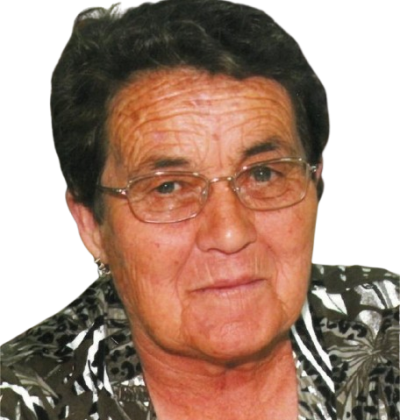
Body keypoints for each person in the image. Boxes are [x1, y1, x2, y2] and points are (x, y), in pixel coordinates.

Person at [1, 0, 399, 419]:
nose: (229, 233)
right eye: (168, 187)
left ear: (315, 183)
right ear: (91, 224)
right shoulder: (21, 403)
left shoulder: (387, 330)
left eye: (263, 174)